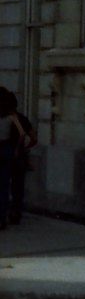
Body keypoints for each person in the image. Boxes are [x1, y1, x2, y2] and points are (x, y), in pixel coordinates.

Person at [0, 87, 32, 228]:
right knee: (10, 185)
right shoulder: (12, 117)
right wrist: (19, 148)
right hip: (7, 149)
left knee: (2, 185)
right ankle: (6, 216)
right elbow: (23, 133)